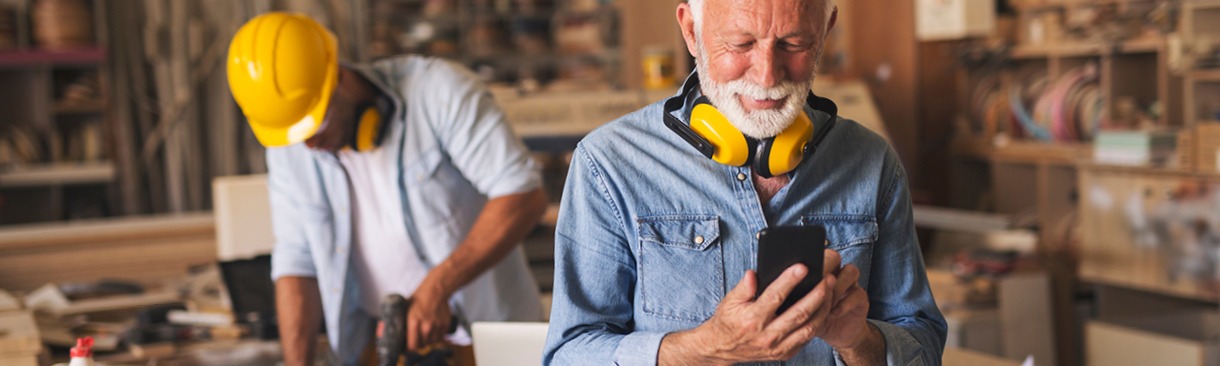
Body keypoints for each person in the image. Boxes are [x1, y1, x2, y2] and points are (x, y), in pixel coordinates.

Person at [543, 0, 946, 364]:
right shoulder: (609, 163)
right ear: (690, 31)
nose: (768, 75)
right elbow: (568, 355)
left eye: (793, 43)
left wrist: (859, 341)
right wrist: (704, 349)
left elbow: (922, 344)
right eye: (740, 43)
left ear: (826, 30)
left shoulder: (873, 162)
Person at [226, 13, 547, 366]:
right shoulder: (289, 144)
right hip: (374, 347)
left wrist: (437, 287)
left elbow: (522, 195)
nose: (309, 144)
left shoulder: (437, 92)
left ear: (338, 76)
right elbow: (297, 260)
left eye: (314, 124)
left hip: (489, 345)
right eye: (295, 134)